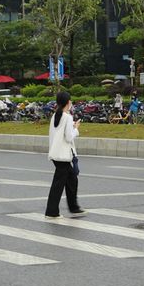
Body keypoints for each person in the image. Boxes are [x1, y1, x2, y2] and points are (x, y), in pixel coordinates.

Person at [45, 91, 86, 219]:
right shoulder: (67, 117)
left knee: (72, 180)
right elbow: (69, 137)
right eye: (71, 101)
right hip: (63, 156)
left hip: (56, 154)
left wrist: (71, 127)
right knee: (59, 184)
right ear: (68, 103)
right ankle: (52, 212)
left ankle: (74, 207)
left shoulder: (55, 116)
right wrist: (76, 129)